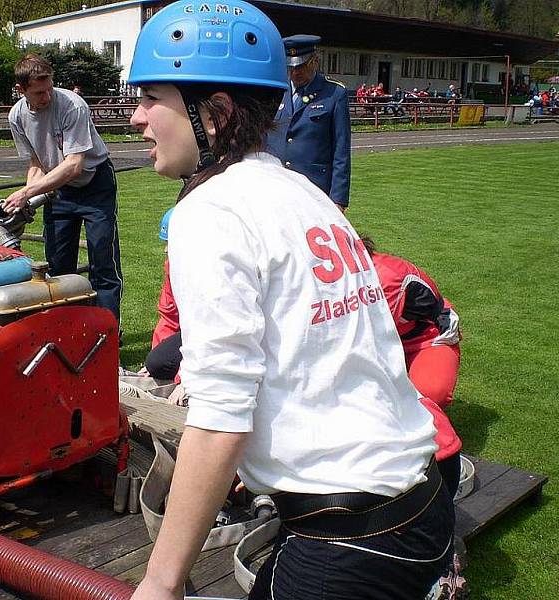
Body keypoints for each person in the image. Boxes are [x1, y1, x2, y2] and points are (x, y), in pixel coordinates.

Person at [127, 2, 453, 599]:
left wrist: (159, 581)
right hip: (418, 501)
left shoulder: (210, 211)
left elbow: (220, 417)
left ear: (216, 113)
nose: (137, 118)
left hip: (348, 536)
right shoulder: (296, 187)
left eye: (152, 98)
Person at [363, 237, 468, 600]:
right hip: (382, 345)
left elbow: (442, 317)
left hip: (426, 338)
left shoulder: (392, 277)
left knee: (429, 395)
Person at [3, 54, 123, 323]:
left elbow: (74, 165)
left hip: (95, 185)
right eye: (38, 93)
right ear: (21, 90)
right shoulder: (16, 116)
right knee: (57, 266)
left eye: (49, 89)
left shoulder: (72, 105)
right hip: (59, 191)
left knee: (102, 262)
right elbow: (36, 164)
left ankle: (109, 333)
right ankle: (65, 333)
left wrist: (26, 193)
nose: (46, 96)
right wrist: (25, 200)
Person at [269, 35, 351, 210]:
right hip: (277, 187)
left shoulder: (334, 94)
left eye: (300, 66)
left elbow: (341, 150)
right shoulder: (275, 91)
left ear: (314, 61)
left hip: (315, 189)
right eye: (290, 67)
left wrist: (339, 199)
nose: (294, 72)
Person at [143, 207, 181, 381]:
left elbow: (214, 331)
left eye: (171, 243)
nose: (166, 250)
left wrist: (185, 379)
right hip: (195, 332)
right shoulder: (173, 267)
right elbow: (169, 316)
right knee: (157, 362)